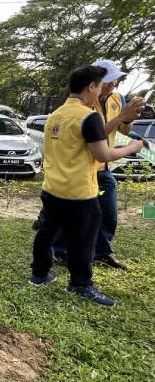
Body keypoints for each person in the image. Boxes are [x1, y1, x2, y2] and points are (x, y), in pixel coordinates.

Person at [29, 65, 143, 306]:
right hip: (80, 191)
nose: (103, 90)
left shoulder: (56, 114)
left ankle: (39, 274)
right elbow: (103, 155)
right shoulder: (88, 116)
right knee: (83, 239)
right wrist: (132, 148)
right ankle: (80, 284)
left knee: (46, 231)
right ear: (91, 86)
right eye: (101, 85)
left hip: (52, 187)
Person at [50, 59, 146, 269]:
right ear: (94, 83)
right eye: (108, 81)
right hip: (85, 166)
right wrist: (124, 122)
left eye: (114, 80)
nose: (113, 85)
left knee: (108, 214)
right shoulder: (84, 102)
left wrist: (128, 118)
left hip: (103, 167)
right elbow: (95, 134)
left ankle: (102, 252)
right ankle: (61, 251)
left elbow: (124, 131)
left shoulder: (117, 98)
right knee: (74, 212)